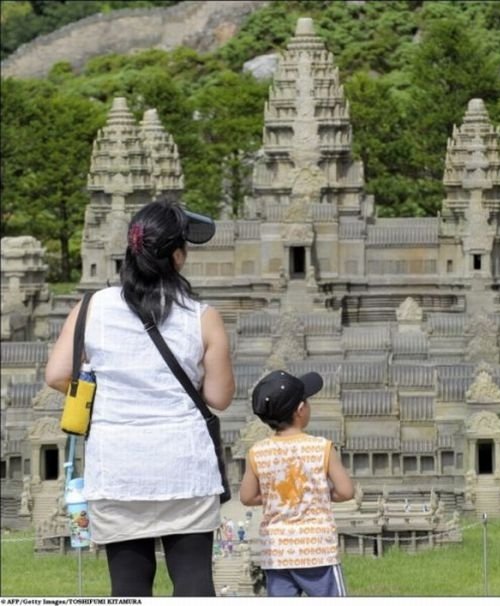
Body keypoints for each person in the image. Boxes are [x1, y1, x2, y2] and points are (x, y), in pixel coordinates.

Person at [45, 198, 235, 597]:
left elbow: (58, 374)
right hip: (185, 466)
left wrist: (109, 395)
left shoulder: (91, 307)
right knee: (194, 579)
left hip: (117, 466)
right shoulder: (202, 316)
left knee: (129, 585)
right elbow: (219, 397)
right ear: (179, 257)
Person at [239, 369, 354, 597]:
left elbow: (247, 497)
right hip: (317, 551)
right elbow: (346, 491)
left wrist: (276, 497)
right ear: (301, 410)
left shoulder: (257, 452)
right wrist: (319, 494)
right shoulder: (322, 447)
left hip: (278, 553)